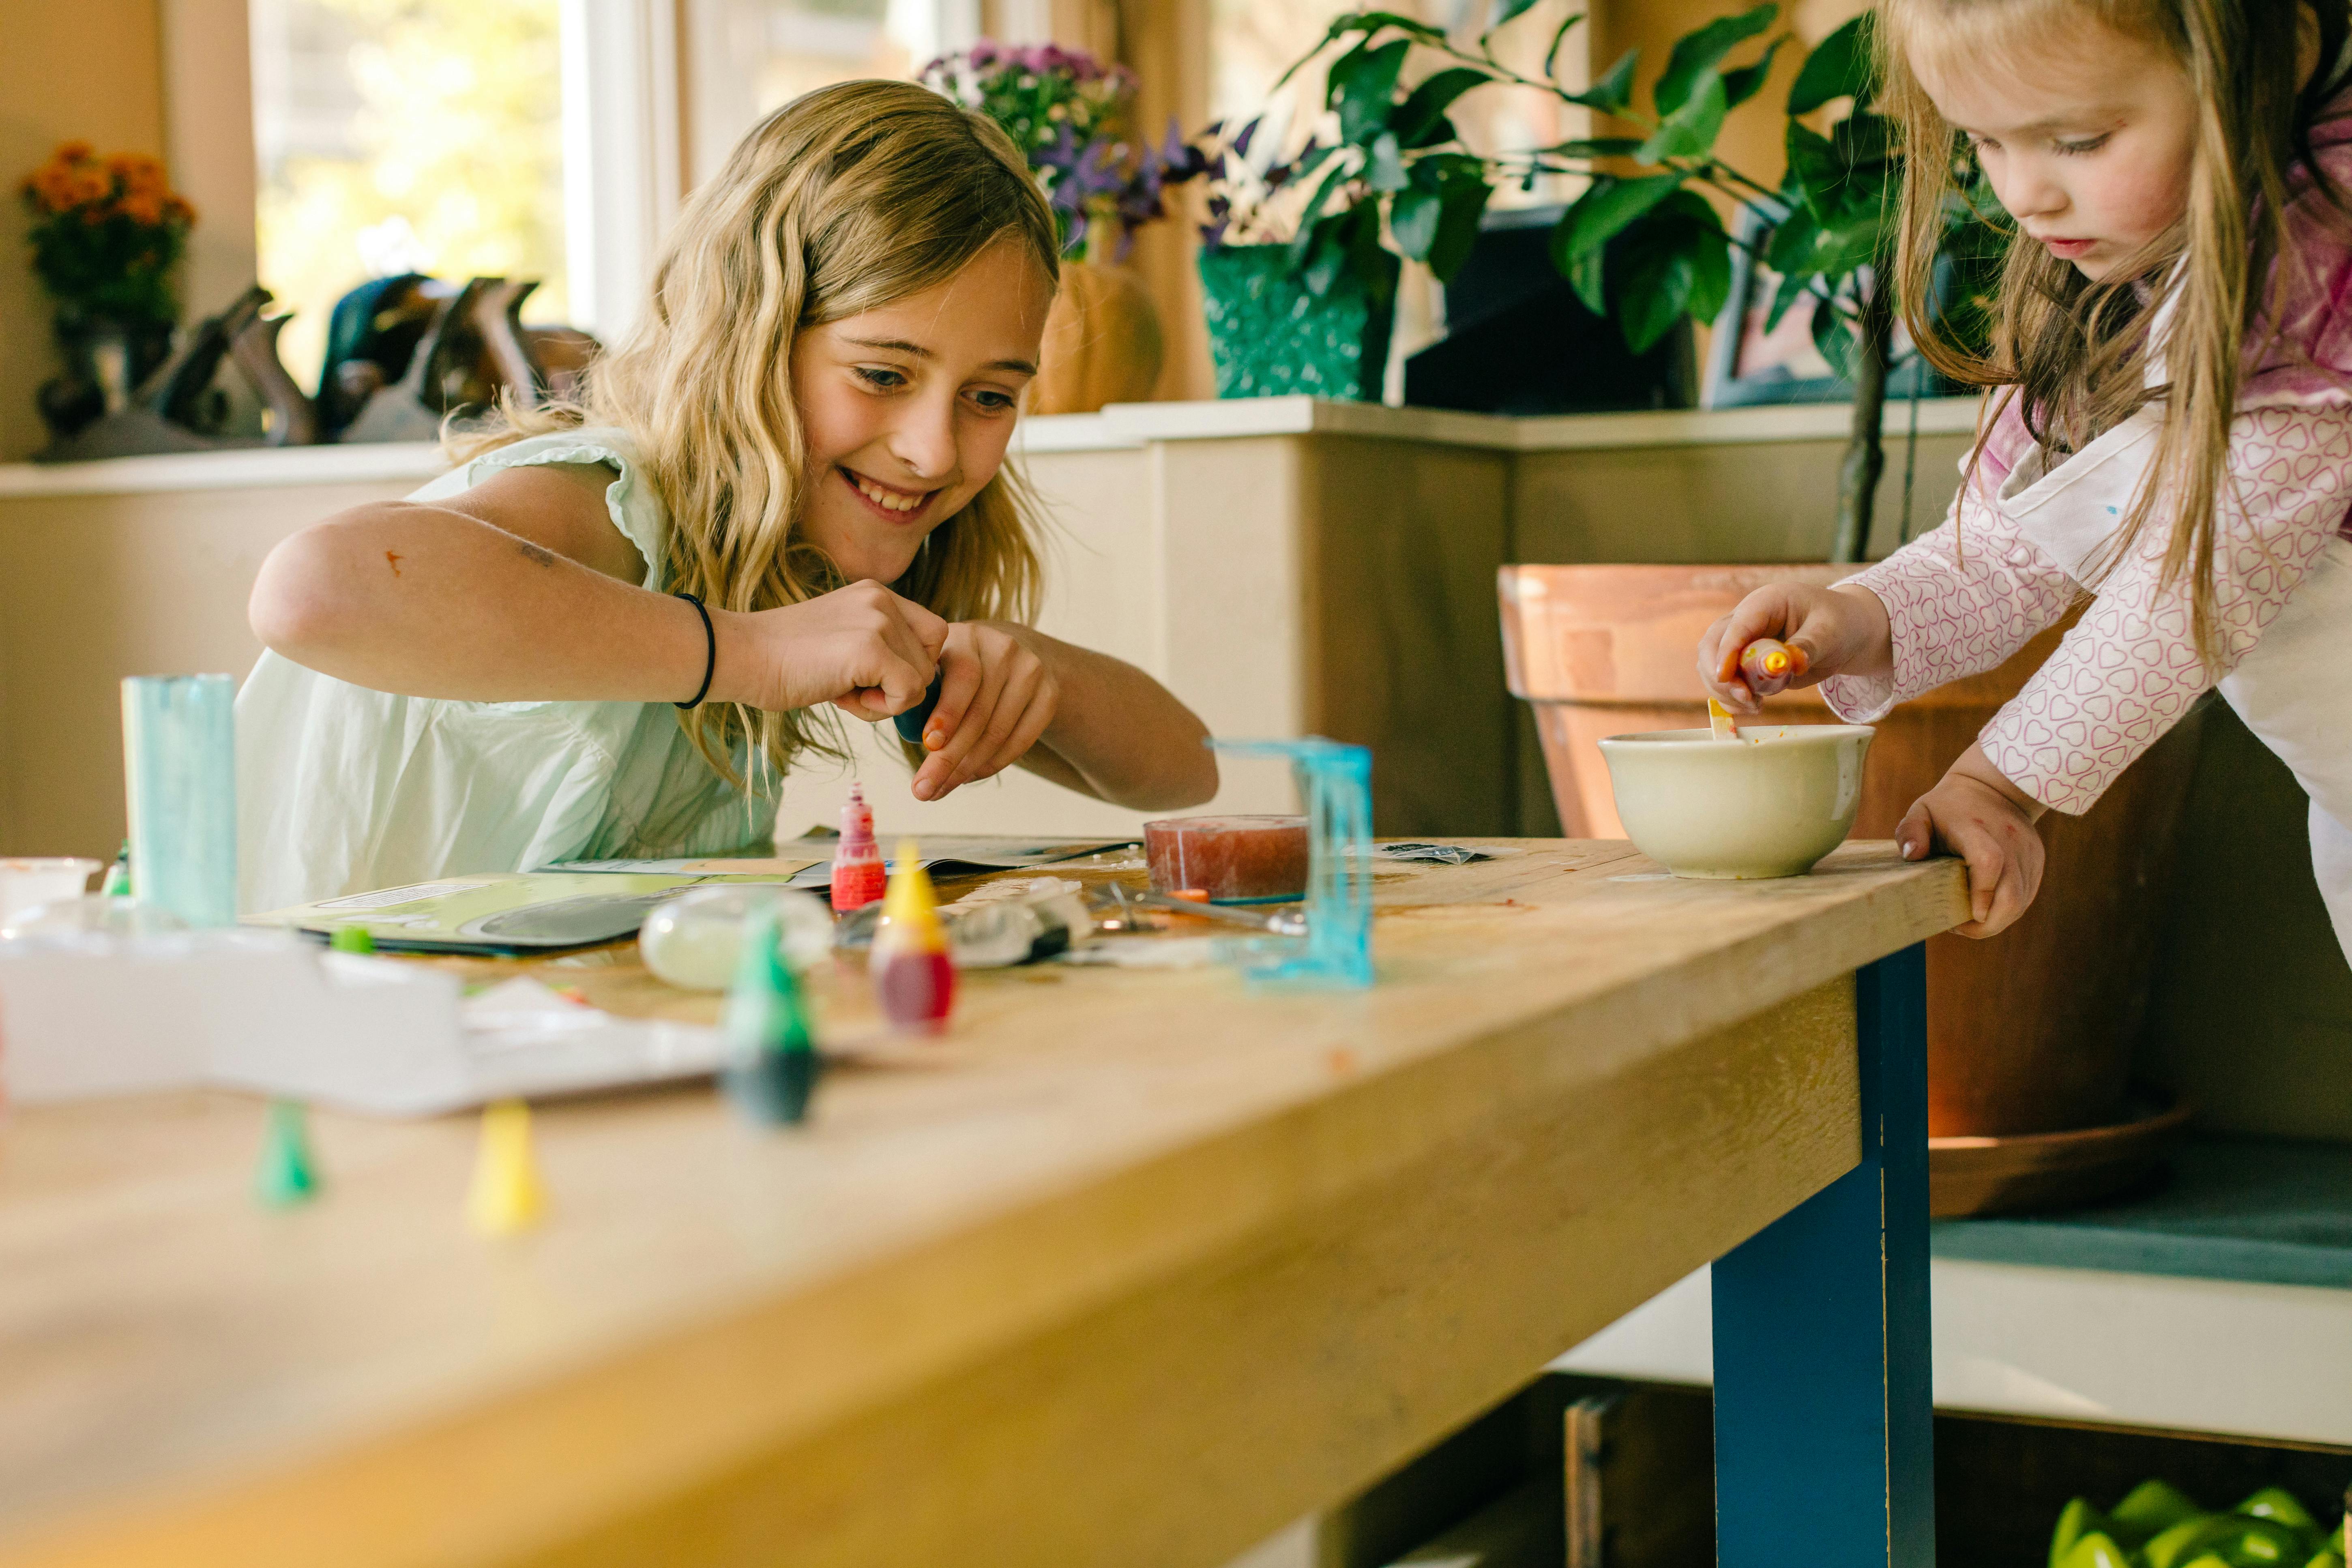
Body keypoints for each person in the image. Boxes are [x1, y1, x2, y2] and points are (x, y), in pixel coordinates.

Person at [239, 80, 1217, 912]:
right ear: (748, 338)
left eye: (989, 397)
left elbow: (1183, 771)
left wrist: (1032, 669)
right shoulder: (611, 504)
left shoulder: (808, 548)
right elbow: (311, 589)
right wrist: (748, 653)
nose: (930, 450)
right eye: (881, 374)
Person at [1699, 0, 2352, 951]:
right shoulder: (2117, 278)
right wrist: (1859, 616)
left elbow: (2188, 589)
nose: (2023, 195)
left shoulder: (2317, 263)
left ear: (2266, 62)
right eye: (1983, 144)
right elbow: (2008, 551)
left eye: (2077, 141)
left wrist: (1995, 783)